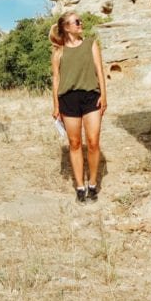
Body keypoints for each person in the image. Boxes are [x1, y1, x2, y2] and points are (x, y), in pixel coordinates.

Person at [50, 11, 107, 202]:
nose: (80, 23)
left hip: (92, 96)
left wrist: (104, 96)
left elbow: (100, 71)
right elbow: (56, 79)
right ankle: (80, 188)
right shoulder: (58, 52)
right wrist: (56, 105)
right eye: (76, 22)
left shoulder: (91, 44)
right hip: (68, 99)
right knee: (74, 144)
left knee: (93, 141)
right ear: (66, 27)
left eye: (80, 21)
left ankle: (92, 184)